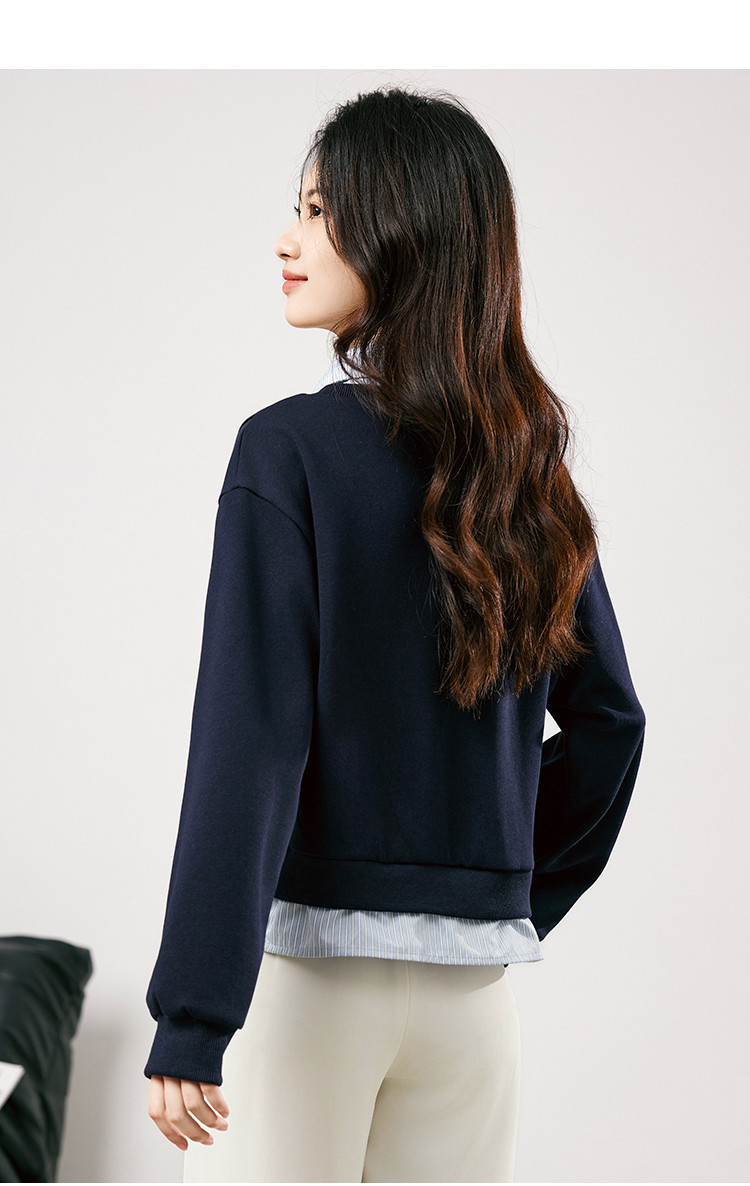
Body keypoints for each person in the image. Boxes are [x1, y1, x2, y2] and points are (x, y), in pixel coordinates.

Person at [144, 84, 646, 1183]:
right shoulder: (526, 474)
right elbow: (612, 723)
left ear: (402, 230)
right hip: (471, 1006)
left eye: (320, 211)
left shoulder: (289, 453)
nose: (288, 239)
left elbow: (251, 739)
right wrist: (498, 895)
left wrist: (193, 1011)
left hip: (311, 988)